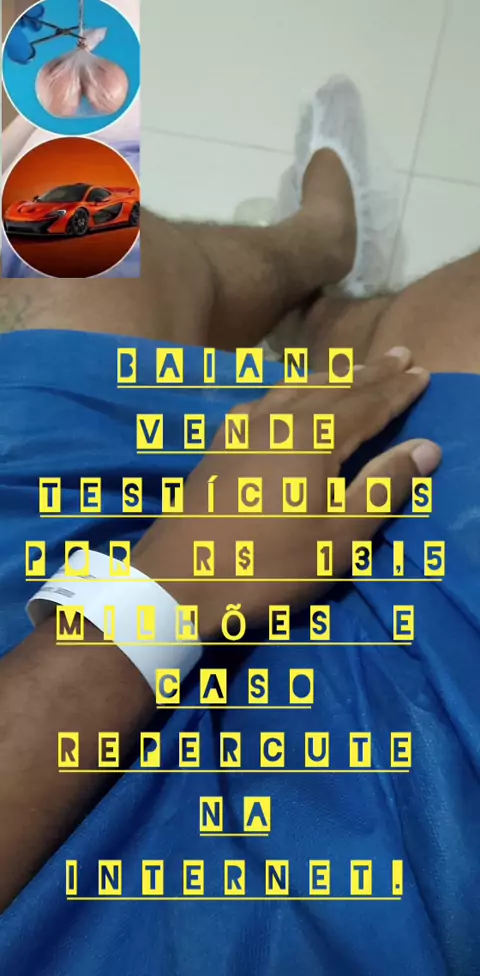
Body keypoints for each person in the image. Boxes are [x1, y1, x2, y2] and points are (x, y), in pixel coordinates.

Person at [0, 78, 478, 975]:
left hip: (30, 676)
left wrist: (169, 582)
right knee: (455, 332)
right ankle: (344, 323)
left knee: (69, 229)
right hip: (354, 891)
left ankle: (315, 252)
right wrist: (172, 589)